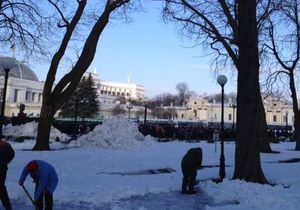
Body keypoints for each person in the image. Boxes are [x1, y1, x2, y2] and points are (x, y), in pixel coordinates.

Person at [0, 139, 15, 210]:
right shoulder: (7, 144)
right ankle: (7, 205)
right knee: (1, 186)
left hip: (2, 167)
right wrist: (6, 161)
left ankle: (7, 205)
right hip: (3, 168)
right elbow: (12, 154)